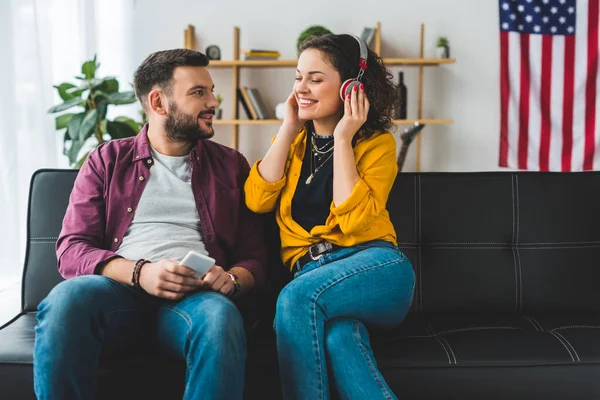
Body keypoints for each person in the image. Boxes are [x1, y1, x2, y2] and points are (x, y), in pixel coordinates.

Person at [33, 49, 267, 400]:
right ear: (158, 102)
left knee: (221, 319)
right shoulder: (107, 160)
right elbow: (71, 249)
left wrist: (232, 279)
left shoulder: (231, 165)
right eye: (198, 92)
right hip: (118, 295)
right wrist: (141, 272)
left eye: (211, 90)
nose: (213, 101)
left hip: (194, 301)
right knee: (66, 299)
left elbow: (256, 258)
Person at [244, 34, 415, 399]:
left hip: (375, 267)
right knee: (339, 337)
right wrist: (288, 127)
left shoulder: (376, 145)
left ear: (351, 87)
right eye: (298, 77)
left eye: (315, 79)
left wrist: (342, 139)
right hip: (313, 277)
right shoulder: (293, 142)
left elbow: (354, 222)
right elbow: (257, 200)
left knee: (294, 300)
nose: (301, 88)